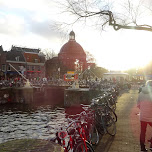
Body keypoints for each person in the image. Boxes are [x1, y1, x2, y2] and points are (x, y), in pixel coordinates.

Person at [137, 80, 152, 152]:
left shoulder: (140, 93)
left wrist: (143, 109)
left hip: (142, 116)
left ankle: (142, 147)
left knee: (143, 131)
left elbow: (138, 105)